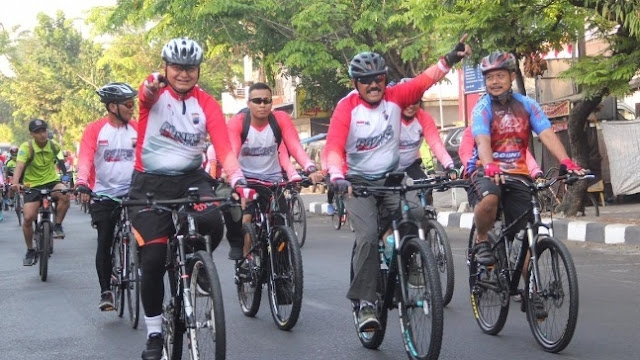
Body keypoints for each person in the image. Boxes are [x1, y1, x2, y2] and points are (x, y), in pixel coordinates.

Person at [324, 35, 471, 331]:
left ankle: (412, 262)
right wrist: (337, 176)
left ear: (385, 79)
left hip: (392, 178)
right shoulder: (346, 108)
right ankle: (366, 304)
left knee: (417, 214)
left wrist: (450, 57)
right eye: (366, 80)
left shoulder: (396, 97)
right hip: (358, 183)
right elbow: (332, 149)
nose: (373, 84)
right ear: (356, 84)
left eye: (378, 78)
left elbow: (424, 80)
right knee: (366, 237)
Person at [133, 37, 250, 360]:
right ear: (166, 68)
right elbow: (145, 95)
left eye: (190, 68)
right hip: (150, 184)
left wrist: (237, 178)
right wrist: (150, 85)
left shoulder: (206, 103)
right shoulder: (154, 97)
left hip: (191, 179)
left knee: (213, 219)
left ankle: (197, 267)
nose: (184, 74)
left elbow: (224, 147)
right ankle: (155, 333)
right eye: (177, 67)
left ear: (198, 70)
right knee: (154, 259)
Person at [468, 51, 584, 267]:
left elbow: (547, 134)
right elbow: (482, 140)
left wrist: (566, 162)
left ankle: (532, 293)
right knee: (490, 198)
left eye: (500, 76)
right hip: (485, 170)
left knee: (525, 237)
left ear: (512, 76)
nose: (494, 82)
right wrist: (490, 165)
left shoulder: (528, 105)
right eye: (489, 77)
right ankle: (482, 239)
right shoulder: (482, 108)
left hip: (518, 175)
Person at [227, 82, 323, 258]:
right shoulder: (238, 122)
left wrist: (310, 168)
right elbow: (231, 154)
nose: (262, 105)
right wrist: (235, 179)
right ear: (248, 103)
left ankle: (283, 269)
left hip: (273, 181)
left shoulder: (280, 119)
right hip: (246, 180)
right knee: (246, 218)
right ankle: (246, 263)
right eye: (257, 101)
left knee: (282, 222)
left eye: (266, 100)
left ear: (272, 103)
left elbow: (294, 146)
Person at [75, 82, 139, 311]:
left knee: (149, 234)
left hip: (134, 193)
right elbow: (84, 159)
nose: (133, 108)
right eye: (129, 104)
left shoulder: (137, 128)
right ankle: (106, 290)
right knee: (104, 241)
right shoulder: (95, 130)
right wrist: (82, 182)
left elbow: (150, 158)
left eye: (134, 104)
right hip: (104, 194)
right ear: (113, 106)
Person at [11, 119, 71, 265]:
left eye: (43, 130)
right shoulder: (27, 147)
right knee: (27, 218)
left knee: (65, 194)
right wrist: (15, 183)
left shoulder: (53, 145)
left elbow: (61, 161)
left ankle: (57, 225)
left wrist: (67, 178)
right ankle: (30, 250)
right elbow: (19, 166)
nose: (42, 134)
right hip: (32, 185)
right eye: (37, 132)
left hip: (51, 181)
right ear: (32, 134)